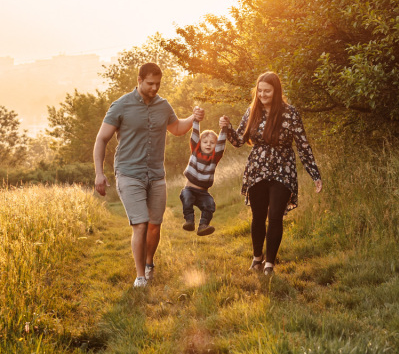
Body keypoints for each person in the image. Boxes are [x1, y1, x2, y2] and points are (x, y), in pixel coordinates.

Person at [94, 62, 202, 288]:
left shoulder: (163, 106)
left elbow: (177, 129)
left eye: (158, 84)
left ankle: (149, 263)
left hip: (156, 174)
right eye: (150, 84)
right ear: (139, 80)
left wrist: (193, 118)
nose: (154, 88)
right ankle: (140, 276)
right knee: (141, 224)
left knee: (155, 224)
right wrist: (99, 173)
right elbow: (101, 139)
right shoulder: (121, 106)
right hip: (128, 173)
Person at [220, 72, 322, 275]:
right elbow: (239, 141)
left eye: (267, 91)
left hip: (283, 168)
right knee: (258, 216)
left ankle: (269, 264)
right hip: (257, 168)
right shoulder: (252, 111)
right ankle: (257, 257)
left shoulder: (290, 113)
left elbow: (302, 145)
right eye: (259, 91)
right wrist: (228, 128)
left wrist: (315, 174)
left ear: (276, 91)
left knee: (275, 216)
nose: (262, 94)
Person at [180, 119, 228, 236]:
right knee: (186, 197)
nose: (208, 144)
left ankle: (203, 226)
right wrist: (196, 120)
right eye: (205, 142)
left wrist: (224, 128)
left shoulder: (215, 157)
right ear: (199, 144)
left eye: (212, 143)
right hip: (189, 189)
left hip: (203, 193)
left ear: (215, 146)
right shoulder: (195, 151)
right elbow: (195, 134)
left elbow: (221, 142)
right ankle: (189, 221)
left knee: (210, 204)